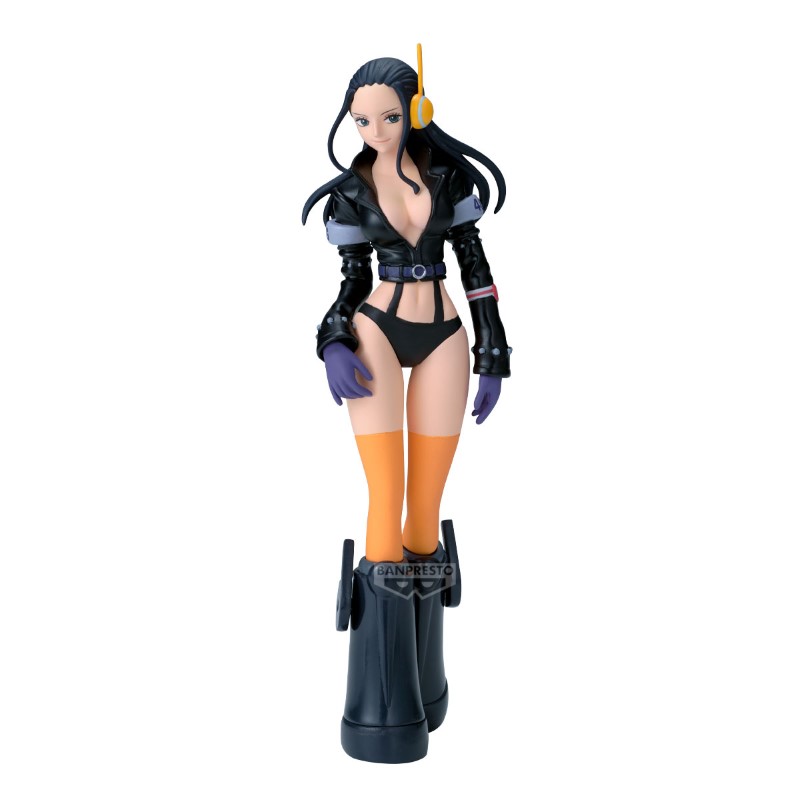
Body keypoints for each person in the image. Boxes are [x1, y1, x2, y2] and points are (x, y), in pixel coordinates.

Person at [302, 49, 511, 763]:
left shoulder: (449, 176)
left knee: (424, 508)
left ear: (416, 111)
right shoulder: (350, 192)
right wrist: (334, 339)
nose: (374, 131)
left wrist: (493, 350)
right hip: (377, 333)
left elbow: (476, 270)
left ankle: (424, 683)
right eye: (361, 121)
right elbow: (349, 281)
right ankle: (379, 707)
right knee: (384, 495)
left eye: (387, 117)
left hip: (446, 332)